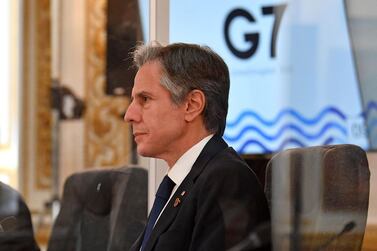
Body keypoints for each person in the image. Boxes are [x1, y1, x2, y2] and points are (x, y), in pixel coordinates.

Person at [124, 42, 270, 251]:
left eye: (145, 99)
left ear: (192, 105)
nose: (129, 115)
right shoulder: (183, 184)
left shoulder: (226, 180)